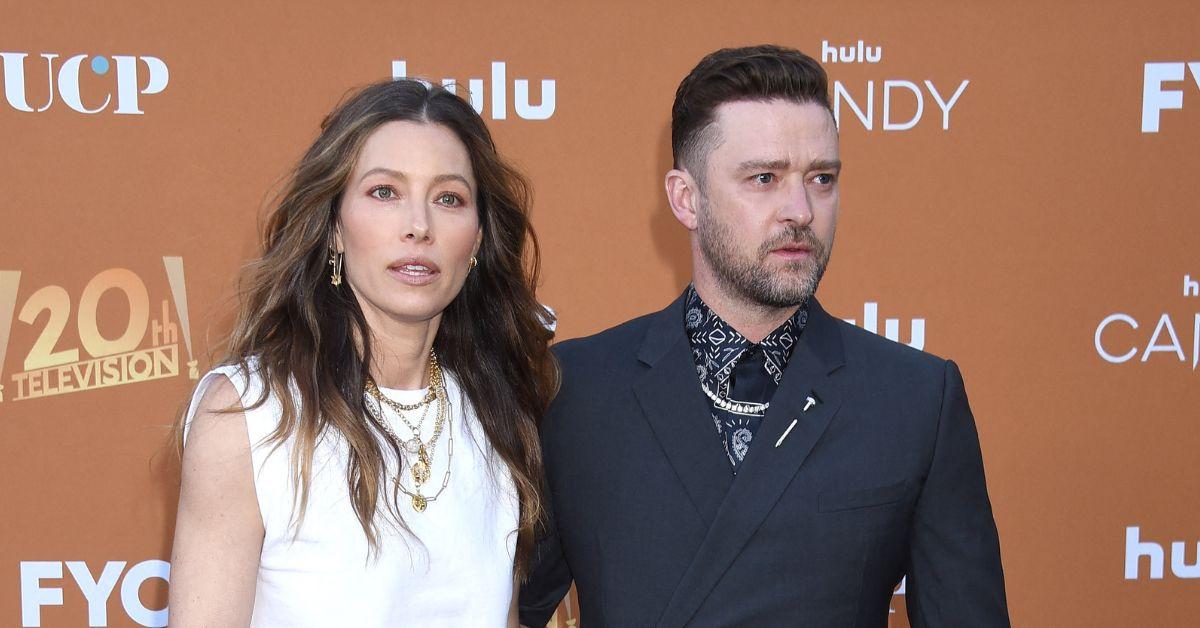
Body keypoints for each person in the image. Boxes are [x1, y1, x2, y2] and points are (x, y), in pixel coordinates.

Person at [520, 45, 1009, 626]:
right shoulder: (576, 390)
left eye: (821, 179)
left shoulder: (914, 399)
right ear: (686, 199)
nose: (800, 210)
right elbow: (498, 606)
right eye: (764, 178)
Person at [168, 79, 556, 627]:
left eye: (449, 198)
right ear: (334, 228)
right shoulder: (248, 413)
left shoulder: (496, 411)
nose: (419, 226)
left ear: (477, 239)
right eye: (384, 192)